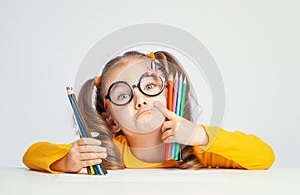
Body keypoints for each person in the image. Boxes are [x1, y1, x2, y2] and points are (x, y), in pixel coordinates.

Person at [23, 51, 275, 173]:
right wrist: (66, 161)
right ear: (110, 119)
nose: (140, 100)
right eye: (123, 95)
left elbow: (264, 156)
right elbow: (32, 154)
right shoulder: (108, 153)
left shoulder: (196, 152)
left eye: (150, 86)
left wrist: (200, 135)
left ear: (170, 93)